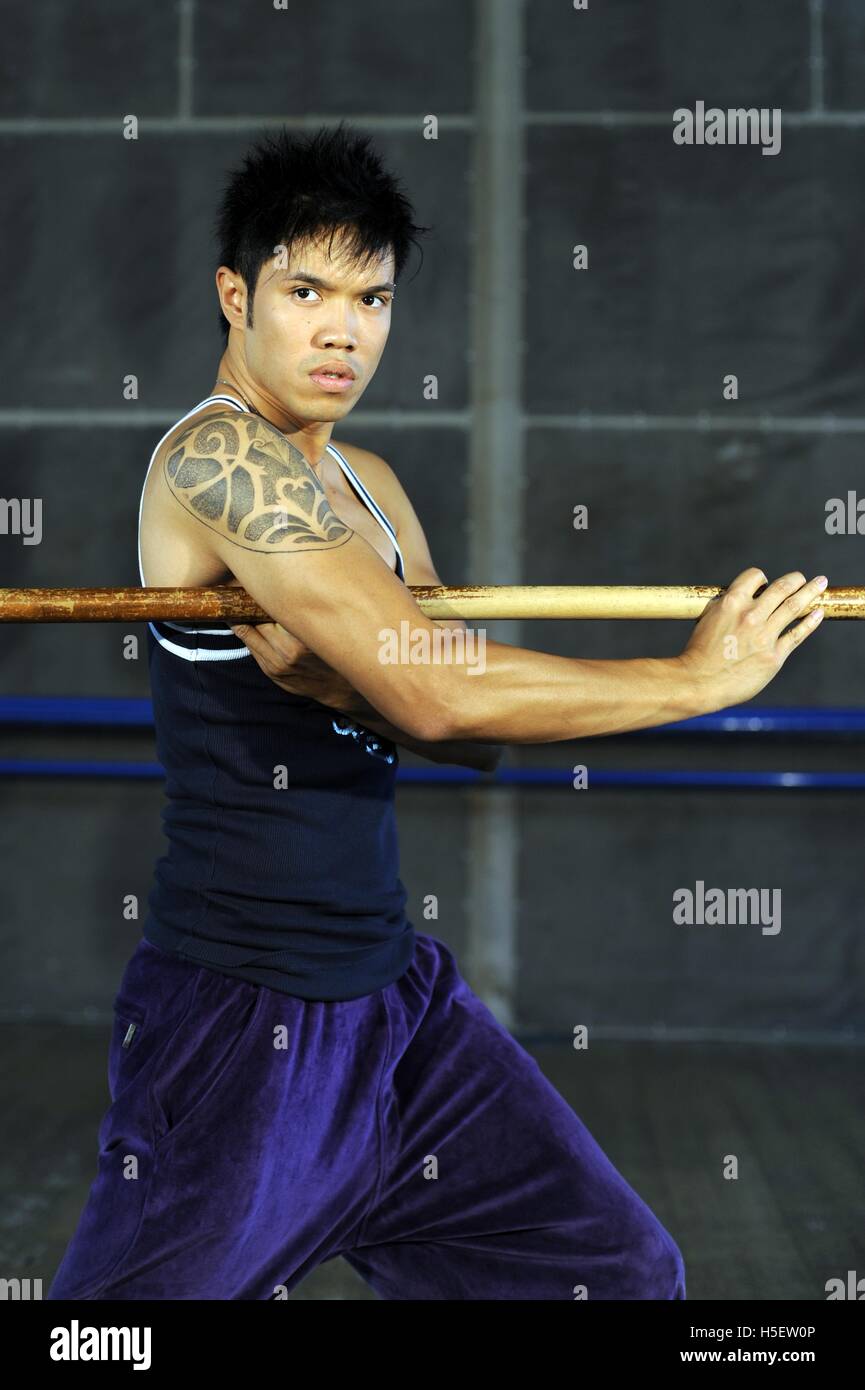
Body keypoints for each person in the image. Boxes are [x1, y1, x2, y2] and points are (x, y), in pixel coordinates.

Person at [47, 123, 826, 1301]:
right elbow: (435, 682)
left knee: (614, 1276)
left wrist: (329, 680)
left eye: (371, 297)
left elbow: (469, 736)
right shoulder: (212, 464)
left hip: (397, 1018)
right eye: (305, 289)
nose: (341, 328)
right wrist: (696, 680)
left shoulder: (375, 489)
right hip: (238, 1018)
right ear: (234, 294)